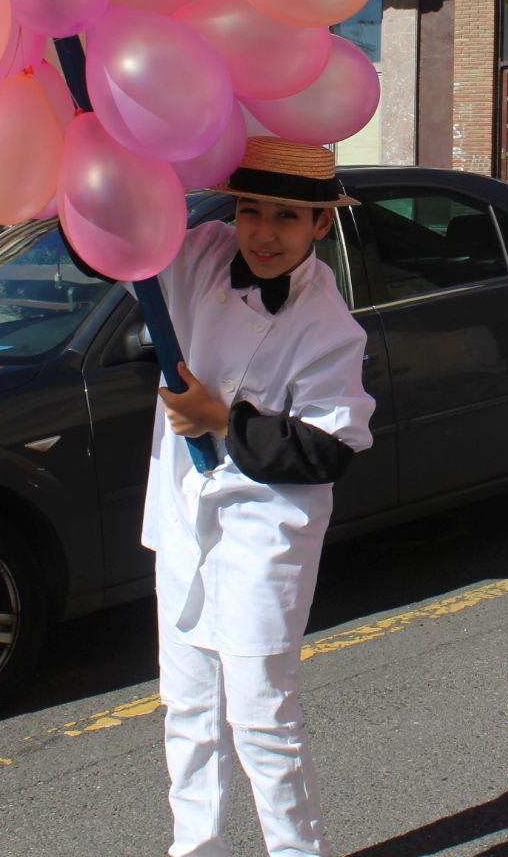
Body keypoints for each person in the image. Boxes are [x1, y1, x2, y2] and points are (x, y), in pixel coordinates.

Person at [144, 137, 374, 857]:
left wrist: (222, 421)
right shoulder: (202, 252)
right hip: (183, 518)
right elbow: (119, 249)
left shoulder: (330, 325)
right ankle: (196, 845)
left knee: (262, 718)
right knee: (187, 707)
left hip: (264, 537)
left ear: (320, 225)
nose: (264, 233)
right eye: (250, 210)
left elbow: (326, 449)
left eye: (286, 215)